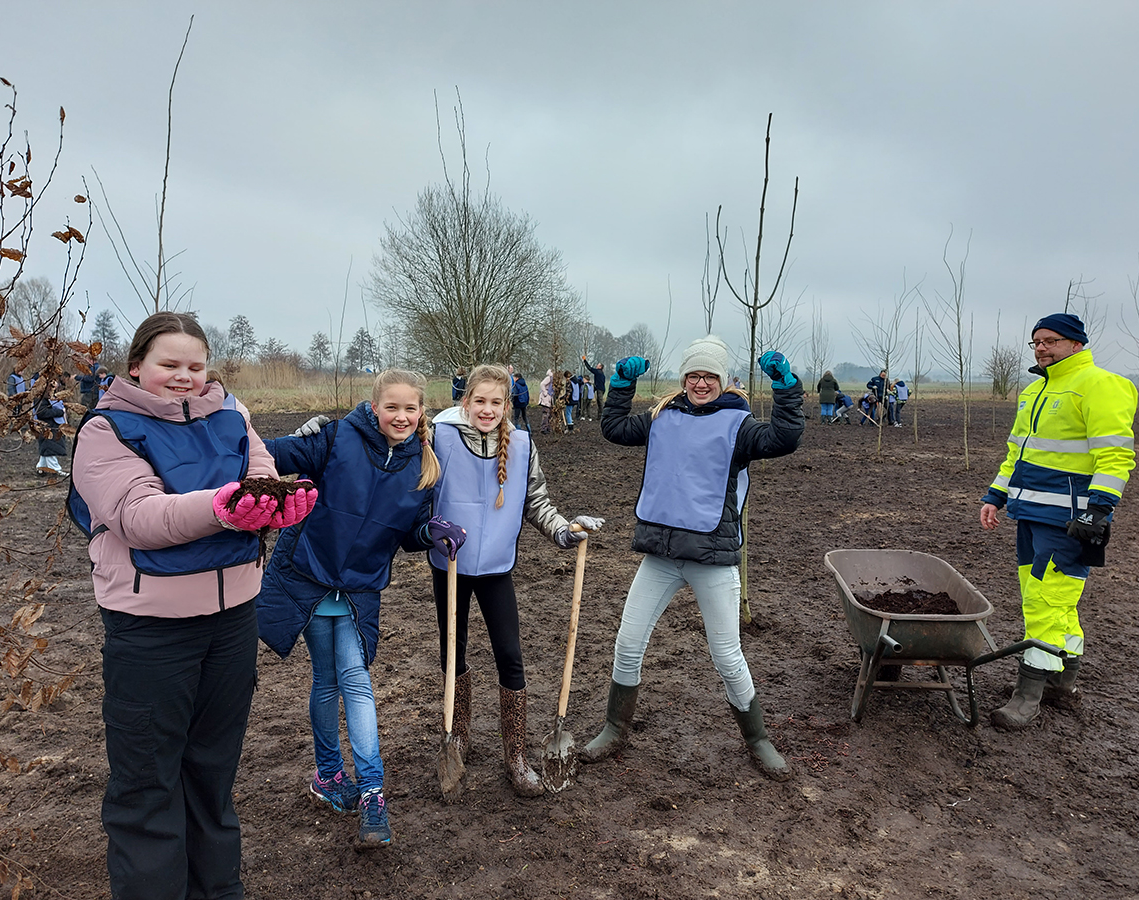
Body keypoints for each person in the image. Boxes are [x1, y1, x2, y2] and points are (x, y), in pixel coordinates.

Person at [68, 311, 316, 898]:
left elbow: (260, 472)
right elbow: (139, 517)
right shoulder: (106, 430)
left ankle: (218, 889)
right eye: (169, 365)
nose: (184, 377)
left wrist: (275, 500)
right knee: (148, 783)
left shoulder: (232, 415)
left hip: (232, 622)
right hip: (151, 631)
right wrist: (226, 508)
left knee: (212, 772)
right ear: (137, 367)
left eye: (196, 366)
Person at [257, 370, 462, 849]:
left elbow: (411, 533)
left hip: (359, 590)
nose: (401, 417)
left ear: (421, 412)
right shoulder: (335, 438)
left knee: (354, 680)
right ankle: (330, 776)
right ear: (374, 407)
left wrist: (432, 532)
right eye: (392, 407)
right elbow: (267, 455)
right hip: (307, 576)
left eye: (410, 408)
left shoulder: (423, 467)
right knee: (327, 681)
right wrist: (277, 434)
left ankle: (371, 791)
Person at [583, 335, 804, 779]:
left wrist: (787, 388)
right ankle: (614, 727)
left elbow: (784, 438)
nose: (700, 383)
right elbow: (614, 429)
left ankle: (757, 739)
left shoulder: (739, 426)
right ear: (684, 378)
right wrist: (621, 386)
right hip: (661, 556)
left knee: (727, 657)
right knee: (627, 645)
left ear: (722, 381)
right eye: (693, 375)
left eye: (709, 376)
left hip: (713, 560)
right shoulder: (662, 416)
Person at [429, 364, 603, 796]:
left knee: (510, 654)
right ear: (464, 402)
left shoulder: (523, 445)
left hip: (496, 569)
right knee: (454, 650)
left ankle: (516, 756)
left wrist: (565, 530)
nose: (487, 409)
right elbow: (415, 489)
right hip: (448, 566)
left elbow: (537, 501)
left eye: (496, 402)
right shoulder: (439, 438)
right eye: (479, 401)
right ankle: (460, 734)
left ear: (507, 406)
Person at [979, 313, 1138, 730]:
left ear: (1076, 344)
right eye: (1035, 342)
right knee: (1053, 599)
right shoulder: (1033, 391)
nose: (1041, 348)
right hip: (1029, 513)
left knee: (1044, 602)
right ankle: (1063, 683)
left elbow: (1116, 454)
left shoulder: (1099, 385)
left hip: (1071, 520)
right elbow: (1018, 452)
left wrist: (1098, 509)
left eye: (1050, 341)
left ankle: (1027, 696)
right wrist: (996, 495)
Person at [34, 373, 70, 476]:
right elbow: (42, 413)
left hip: (50, 426)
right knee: (50, 448)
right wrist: (59, 412)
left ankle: (41, 467)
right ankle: (56, 469)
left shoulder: (48, 397)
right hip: (46, 427)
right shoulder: (41, 399)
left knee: (46, 448)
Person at [538, 368, 554, 434]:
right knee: (546, 413)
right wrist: (545, 392)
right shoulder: (549, 378)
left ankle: (548, 428)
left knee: (549, 414)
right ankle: (544, 428)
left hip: (549, 398)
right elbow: (542, 384)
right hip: (545, 399)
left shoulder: (552, 379)